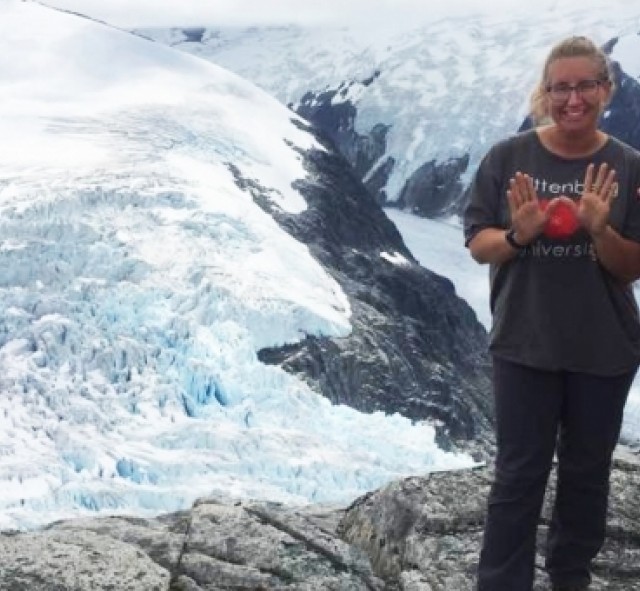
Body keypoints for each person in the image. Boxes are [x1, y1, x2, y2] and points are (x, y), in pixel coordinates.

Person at [463, 35, 640, 591]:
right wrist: (520, 232)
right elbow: (479, 245)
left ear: (606, 89)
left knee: (586, 477)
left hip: (603, 349)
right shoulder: (508, 158)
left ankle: (570, 579)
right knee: (518, 476)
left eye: (586, 84)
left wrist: (598, 228)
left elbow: (631, 267)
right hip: (524, 343)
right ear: (545, 91)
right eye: (560, 86)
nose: (573, 98)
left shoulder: (628, 166)